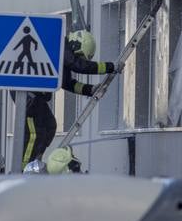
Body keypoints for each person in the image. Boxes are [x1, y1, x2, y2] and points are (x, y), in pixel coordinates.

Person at [21, 29, 115, 169]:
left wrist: (90, 89)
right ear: (76, 45)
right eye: (80, 56)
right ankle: (23, 169)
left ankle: (36, 161)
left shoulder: (59, 59)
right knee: (35, 133)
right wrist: (110, 67)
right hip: (28, 94)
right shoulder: (60, 45)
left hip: (36, 96)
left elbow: (67, 83)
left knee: (50, 125)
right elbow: (78, 65)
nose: (81, 60)